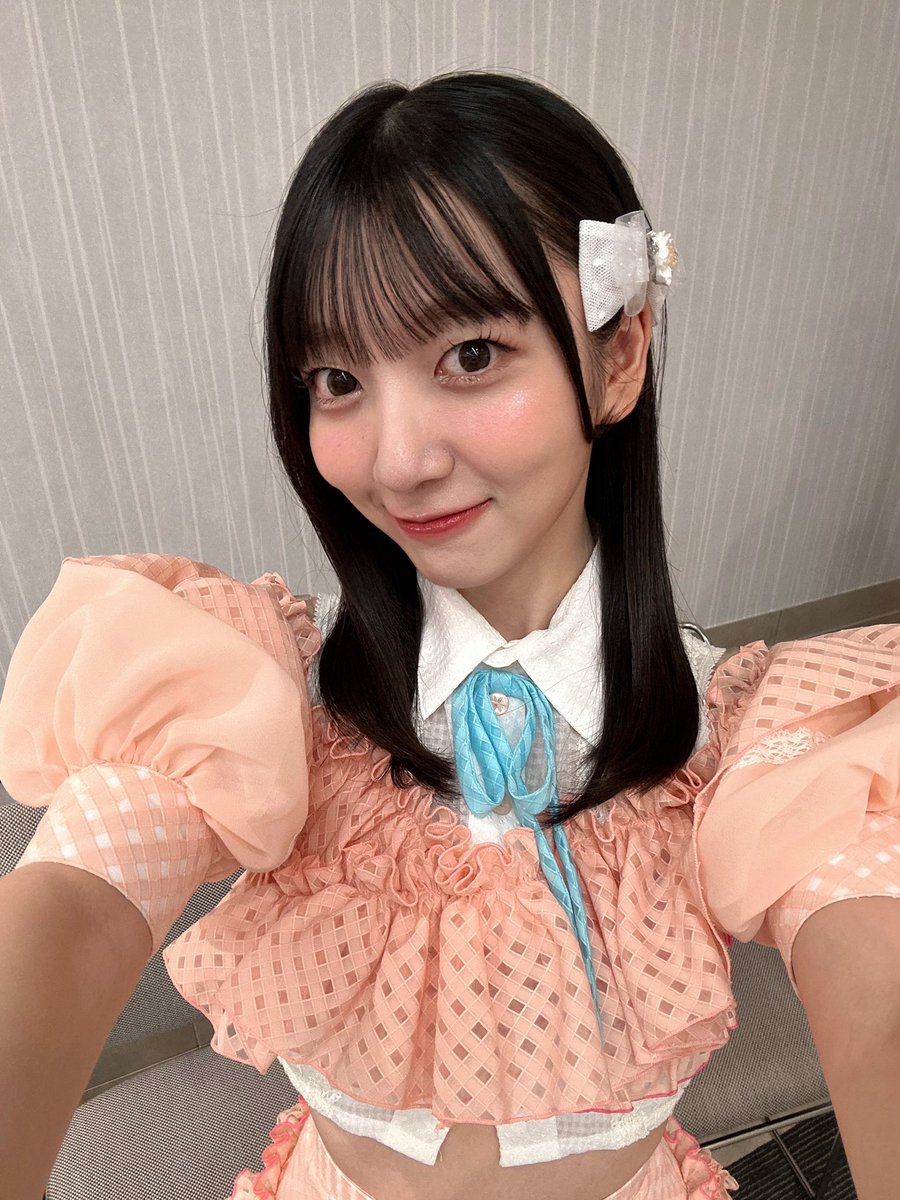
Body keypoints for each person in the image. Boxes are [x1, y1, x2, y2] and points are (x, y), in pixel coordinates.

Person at [0, 69, 898, 1200]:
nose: (397, 460)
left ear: (619, 357)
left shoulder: (749, 735)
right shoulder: (258, 700)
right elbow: (72, 907)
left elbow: (877, 986)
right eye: (338, 379)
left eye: (470, 355)